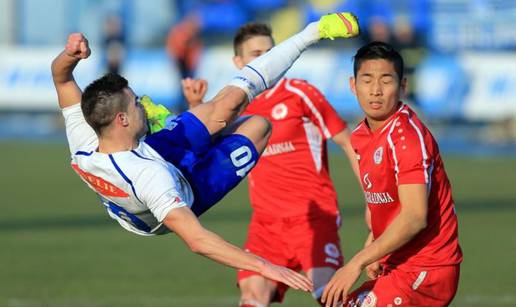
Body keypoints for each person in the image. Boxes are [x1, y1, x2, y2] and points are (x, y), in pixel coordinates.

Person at [51, 13, 360, 292]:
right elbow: (198, 241)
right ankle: (193, 127)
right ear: (122, 119)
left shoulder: (84, 137)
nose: (142, 103)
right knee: (259, 126)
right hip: (184, 190)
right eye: (136, 104)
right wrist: (265, 265)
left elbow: (61, 76)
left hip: (152, 151)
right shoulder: (149, 178)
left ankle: (311, 33)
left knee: (229, 103)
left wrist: (70, 54)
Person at [321, 41, 463, 307]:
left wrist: (356, 262)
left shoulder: (406, 137)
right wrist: (374, 247)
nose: (375, 90)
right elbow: (387, 202)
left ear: (403, 86)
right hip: (398, 263)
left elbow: (414, 216)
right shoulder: (362, 136)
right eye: (367, 80)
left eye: (386, 80)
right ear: (353, 85)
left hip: (427, 268)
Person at [228, 22, 360, 306]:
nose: (265, 59)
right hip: (265, 226)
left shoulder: (300, 93)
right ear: (238, 62)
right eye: (255, 54)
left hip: (312, 219)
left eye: (270, 51)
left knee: (330, 294)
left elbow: (348, 142)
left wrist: (374, 202)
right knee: (251, 297)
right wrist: (194, 103)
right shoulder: (238, 108)